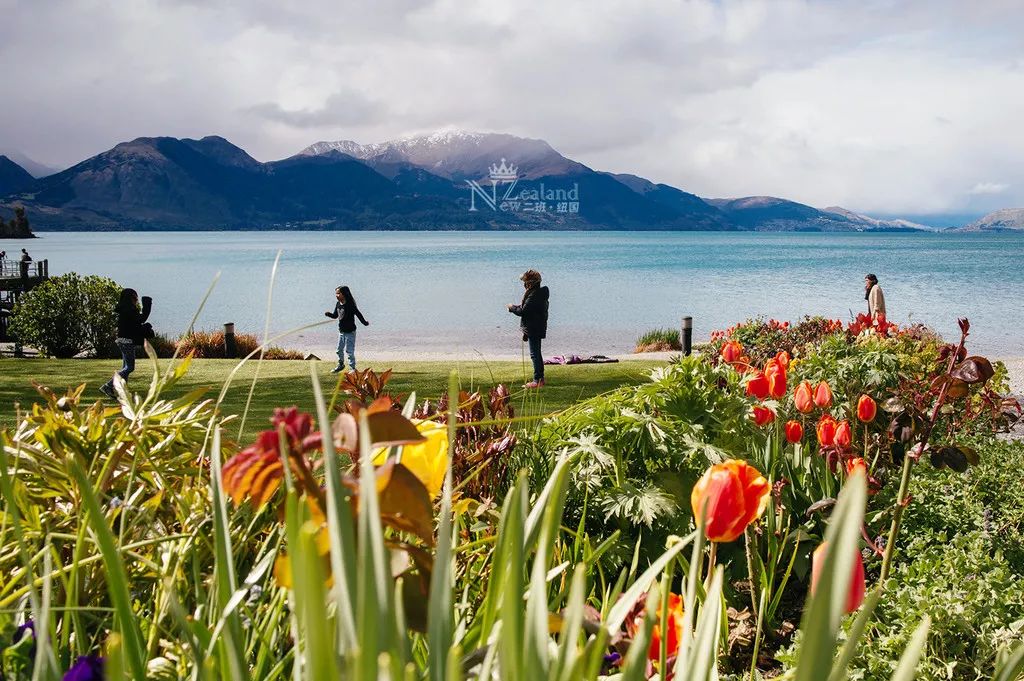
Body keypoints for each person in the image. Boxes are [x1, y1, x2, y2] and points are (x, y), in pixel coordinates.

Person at [101, 288, 153, 399]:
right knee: (129, 368)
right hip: (127, 341)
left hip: (122, 340)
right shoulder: (129, 310)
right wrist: (147, 305)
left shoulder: (124, 309)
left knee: (125, 367)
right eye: (135, 298)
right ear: (130, 298)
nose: (136, 300)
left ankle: (123, 392)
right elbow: (141, 319)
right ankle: (108, 385)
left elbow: (136, 323)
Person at [507, 269, 550, 388]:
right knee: (536, 353)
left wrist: (511, 308)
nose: (524, 285)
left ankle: (538, 380)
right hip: (536, 326)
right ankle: (539, 378)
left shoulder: (534, 295)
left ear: (530, 283)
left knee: (534, 354)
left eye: (525, 282)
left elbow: (523, 311)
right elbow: (525, 307)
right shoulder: (538, 294)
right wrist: (515, 307)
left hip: (534, 328)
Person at [324, 285, 369, 373]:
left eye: (338, 293)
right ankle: (341, 365)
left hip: (350, 332)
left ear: (344, 294)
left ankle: (352, 369)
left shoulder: (350, 304)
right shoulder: (338, 304)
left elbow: (358, 314)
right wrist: (328, 314)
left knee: (349, 351)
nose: (336, 295)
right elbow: (335, 316)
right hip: (341, 332)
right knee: (338, 350)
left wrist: (364, 322)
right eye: (336, 293)